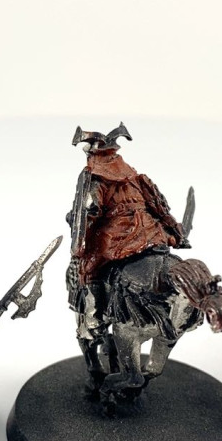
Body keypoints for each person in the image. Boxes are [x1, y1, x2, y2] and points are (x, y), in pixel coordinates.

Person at [66, 124, 189, 381]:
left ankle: (94, 320)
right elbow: (160, 206)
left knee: (86, 272)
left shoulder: (94, 179)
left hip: (117, 241)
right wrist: (174, 231)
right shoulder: (136, 176)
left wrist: (78, 238)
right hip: (152, 235)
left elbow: (90, 211)